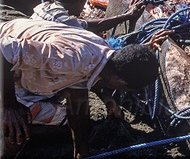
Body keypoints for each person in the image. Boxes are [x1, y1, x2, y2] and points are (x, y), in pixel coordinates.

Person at [0, 18, 165, 158]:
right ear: (120, 82)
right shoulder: (69, 58)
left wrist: (81, 151)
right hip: (6, 66)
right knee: (17, 128)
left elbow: (78, 101)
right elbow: (2, 51)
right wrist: (9, 106)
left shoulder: (99, 51)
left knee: (71, 123)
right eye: (127, 90)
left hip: (21, 73)